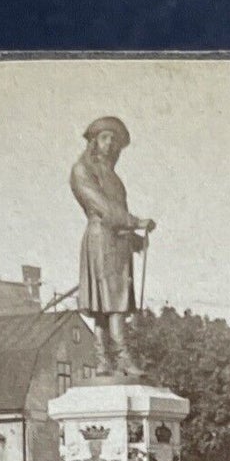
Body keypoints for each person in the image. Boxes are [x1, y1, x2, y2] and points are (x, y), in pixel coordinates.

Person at [70, 115, 154, 376]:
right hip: (100, 239)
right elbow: (102, 207)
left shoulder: (113, 176)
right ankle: (118, 358)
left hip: (117, 242)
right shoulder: (82, 169)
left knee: (111, 302)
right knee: (109, 302)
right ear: (94, 141)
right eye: (105, 137)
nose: (110, 144)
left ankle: (107, 361)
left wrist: (135, 239)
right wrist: (135, 221)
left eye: (114, 140)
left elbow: (117, 212)